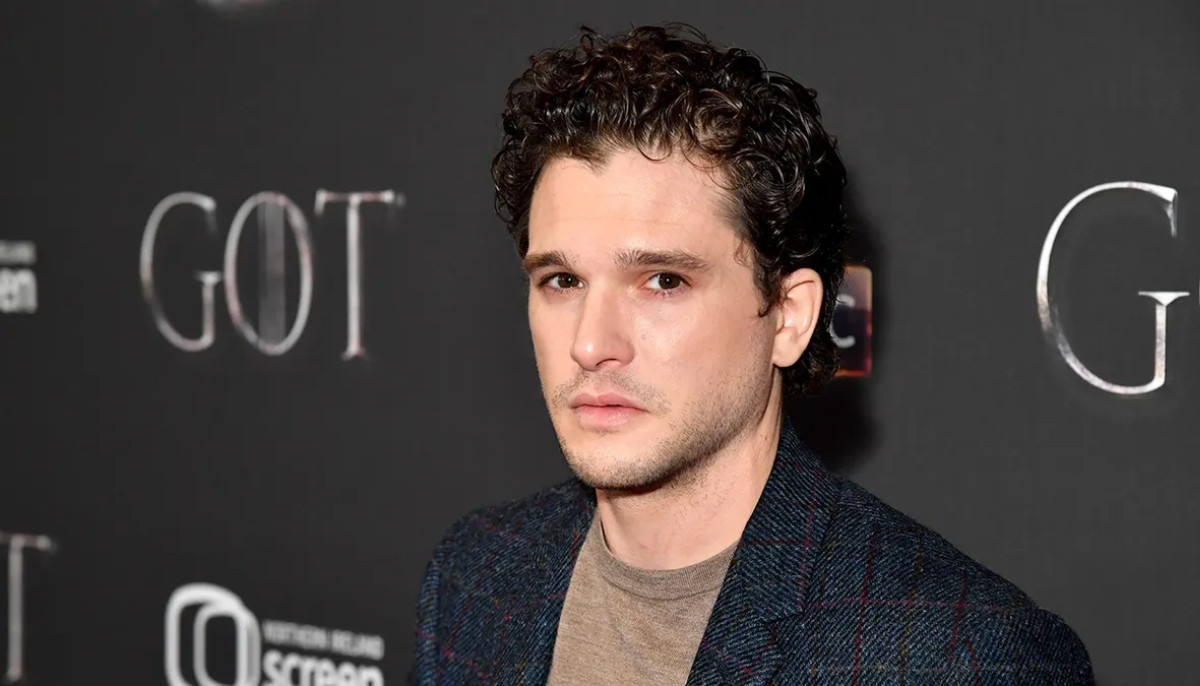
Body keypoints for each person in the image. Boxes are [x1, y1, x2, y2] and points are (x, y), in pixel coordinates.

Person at [410, 24, 1094, 685]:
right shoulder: (476, 574)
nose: (590, 344)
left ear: (789, 316)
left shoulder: (959, 656)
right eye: (562, 281)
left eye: (663, 281)